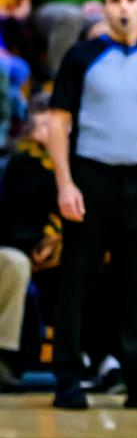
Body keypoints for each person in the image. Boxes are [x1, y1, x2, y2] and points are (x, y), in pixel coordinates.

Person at [47, 0, 137, 409]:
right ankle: (68, 377)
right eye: (114, 0)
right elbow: (58, 123)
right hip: (91, 177)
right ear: (104, 9)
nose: (122, 7)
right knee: (78, 281)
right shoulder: (82, 57)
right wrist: (65, 183)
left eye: (130, 0)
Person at [0, 99, 60, 389]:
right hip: (23, 246)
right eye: (45, 125)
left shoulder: (62, 164)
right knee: (18, 262)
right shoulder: (25, 162)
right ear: (32, 131)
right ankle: (5, 359)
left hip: (52, 252)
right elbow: (19, 217)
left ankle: (97, 358)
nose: (52, 132)